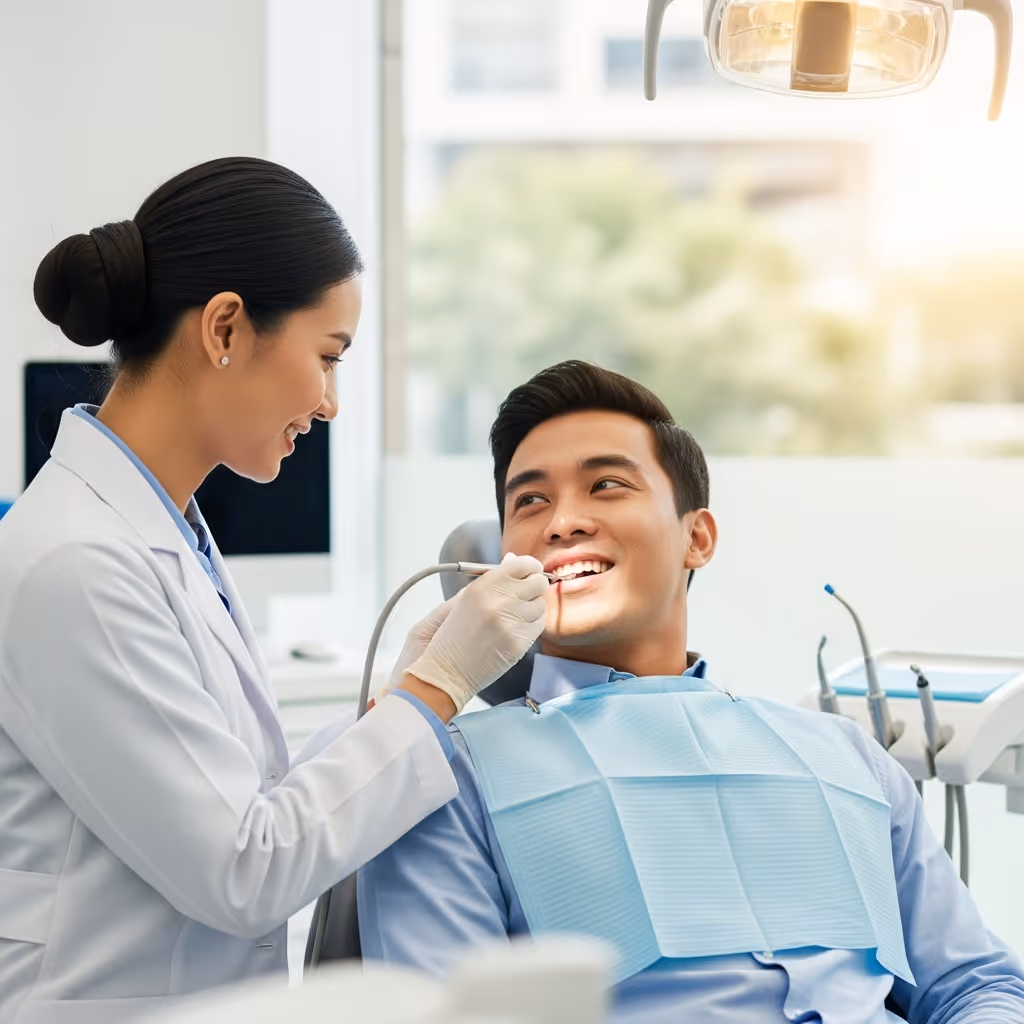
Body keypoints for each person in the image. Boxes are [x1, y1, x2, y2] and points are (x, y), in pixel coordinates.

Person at [0, 157, 548, 1023]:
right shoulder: (77, 561)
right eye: (327, 357)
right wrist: (436, 690)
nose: (330, 403)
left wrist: (395, 693)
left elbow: (234, 790)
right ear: (225, 328)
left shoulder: (163, 525)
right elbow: (244, 869)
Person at [358, 361, 1024, 1023]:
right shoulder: (437, 776)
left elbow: (975, 985)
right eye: (530, 501)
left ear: (696, 538)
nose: (562, 522)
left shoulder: (845, 756)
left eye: (606, 485)